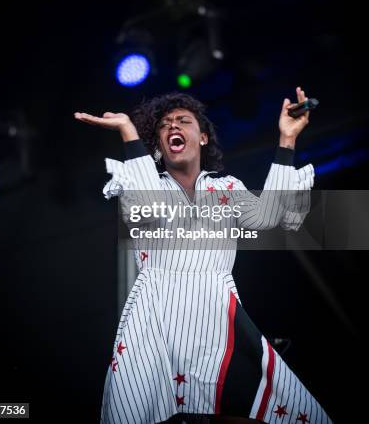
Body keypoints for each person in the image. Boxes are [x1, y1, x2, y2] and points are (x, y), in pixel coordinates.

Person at [74, 87, 332, 423]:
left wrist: (286, 139)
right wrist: (128, 132)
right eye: (164, 125)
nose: (172, 127)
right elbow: (147, 209)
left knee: (266, 410)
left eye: (183, 121)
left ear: (204, 138)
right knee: (140, 409)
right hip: (157, 314)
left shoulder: (226, 189)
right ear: (156, 146)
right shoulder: (141, 184)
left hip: (216, 312)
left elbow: (267, 218)